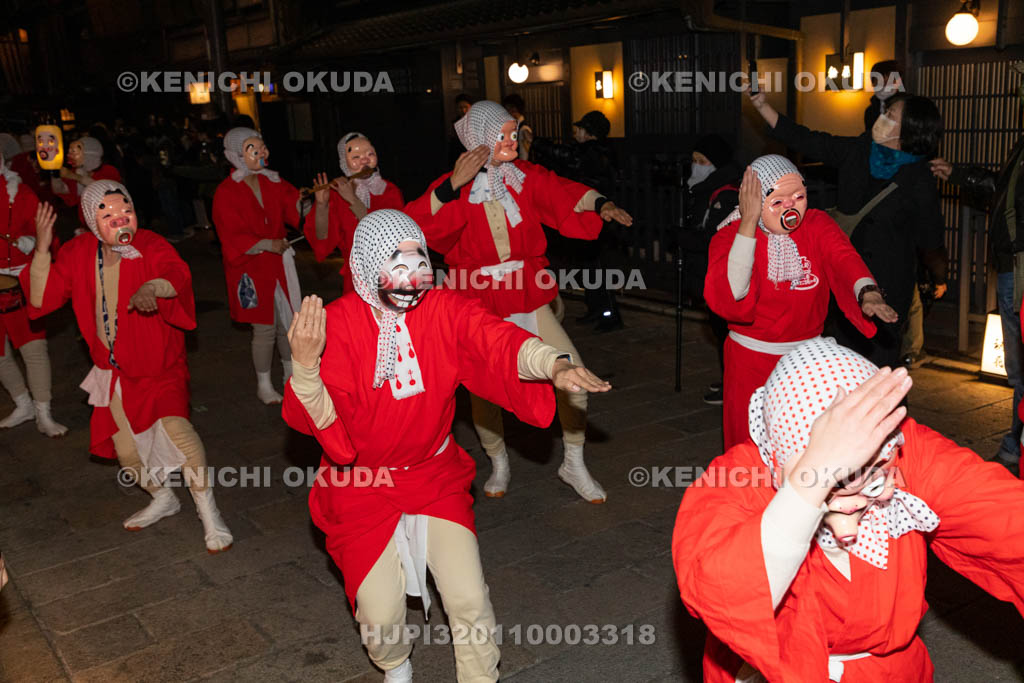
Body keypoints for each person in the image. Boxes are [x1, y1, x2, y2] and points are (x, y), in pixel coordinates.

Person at [282, 209, 611, 682]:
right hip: (361, 485)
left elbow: (496, 338)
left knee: (468, 597)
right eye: (398, 267)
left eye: (421, 265)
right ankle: (396, 665)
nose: (413, 280)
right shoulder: (337, 325)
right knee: (378, 611)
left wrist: (552, 363)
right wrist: (305, 367)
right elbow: (310, 419)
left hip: (433, 476)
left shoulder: (441, 308)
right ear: (368, 266)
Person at [672, 336, 1024, 681]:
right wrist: (813, 479)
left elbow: (1006, 517)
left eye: (872, 476)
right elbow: (719, 590)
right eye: (836, 484)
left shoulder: (902, 450)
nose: (851, 522)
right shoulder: (738, 477)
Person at [405, 100, 633, 502]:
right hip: (477, 299)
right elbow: (416, 226)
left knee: (572, 369)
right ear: (480, 139)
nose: (512, 141)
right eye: (504, 135)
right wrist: (451, 185)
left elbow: (562, 192)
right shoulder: (453, 184)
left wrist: (601, 203)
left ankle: (574, 462)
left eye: (513, 134)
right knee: (484, 388)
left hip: (525, 291)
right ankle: (498, 461)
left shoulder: (523, 177)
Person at [22, 181, 232, 552]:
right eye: (108, 214)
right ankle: (164, 498)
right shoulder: (78, 252)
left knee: (178, 432)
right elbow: (42, 297)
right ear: (91, 222)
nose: (121, 219)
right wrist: (41, 249)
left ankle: (208, 511)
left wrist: (152, 288)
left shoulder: (150, 244)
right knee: (127, 453)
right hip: (113, 371)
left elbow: (176, 274)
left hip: (158, 364)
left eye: (126, 210)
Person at [706, 154, 895, 450]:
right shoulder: (730, 236)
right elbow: (733, 294)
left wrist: (867, 291)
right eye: (777, 201)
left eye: (798, 197)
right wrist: (749, 223)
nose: (791, 207)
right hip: (752, 361)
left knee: (807, 442)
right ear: (753, 201)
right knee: (750, 445)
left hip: (807, 361)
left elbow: (843, 257)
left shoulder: (816, 225)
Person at [750, 87, 946, 369]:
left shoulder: (919, 178)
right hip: (841, 276)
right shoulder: (858, 150)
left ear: (910, 130)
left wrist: (939, 277)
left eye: (891, 116)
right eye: (886, 112)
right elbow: (808, 139)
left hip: (888, 284)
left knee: (876, 367)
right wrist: (762, 106)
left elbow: (930, 238)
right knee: (840, 360)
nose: (882, 118)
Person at [931, 90, 1024, 476]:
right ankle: (1014, 445)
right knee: (1019, 369)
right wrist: (959, 174)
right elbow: (1002, 188)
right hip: (1011, 264)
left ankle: (1014, 447)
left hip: (1019, 265)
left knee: (1021, 369)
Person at [212, 126, 308, 405]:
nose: (261, 152)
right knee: (264, 328)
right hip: (250, 267)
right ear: (236, 155)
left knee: (287, 323)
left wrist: (309, 203)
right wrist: (266, 243)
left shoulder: (274, 182)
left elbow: (296, 213)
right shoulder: (226, 191)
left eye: (262, 145)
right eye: (252, 148)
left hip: (279, 263)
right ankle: (264, 384)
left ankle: (290, 377)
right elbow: (230, 233)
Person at [0, 148, 67, 437]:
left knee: (33, 350)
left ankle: (43, 413)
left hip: (19, 279)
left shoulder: (21, 193)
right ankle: (23, 405)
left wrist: (32, 240)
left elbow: (44, 230)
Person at [305, 132, 405, 294]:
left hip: (390, 273)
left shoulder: (390, 191)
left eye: (370, 154)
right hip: (355, 279)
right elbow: (322, 238)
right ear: (344, 162)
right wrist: (322, 205)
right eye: (356, 157)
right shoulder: (338, 193)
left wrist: (353, 200)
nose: (364, 160)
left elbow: (388, 235)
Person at [683, 133, 742, 405]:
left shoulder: (726, 194)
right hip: (710, 273)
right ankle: (729, 379)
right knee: (720, 333)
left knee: (727, 334)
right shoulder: (705, 188)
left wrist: (684, 238)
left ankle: (734, 385)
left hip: (722, 276)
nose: (697, 166)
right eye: (694, 160)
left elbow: (714, 237)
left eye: (703, 161)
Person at [52, 136, 123, 225]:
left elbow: (103, 190)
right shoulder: (78, 171)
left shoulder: (109, 171)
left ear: (89, 155)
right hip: (88, 223)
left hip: (111, 220)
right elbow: (60, 190)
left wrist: (76, 177)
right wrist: (54, 173)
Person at [863, 60, 905, 133]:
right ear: (873, 83)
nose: (884, 86)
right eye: (879, 82)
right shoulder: (870, 111)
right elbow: (869, 135)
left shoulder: (907, 107)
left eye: (888, 82)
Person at [501, 94, 534, 161]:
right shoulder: (513, 126)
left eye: (509, 110)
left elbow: (525, 154)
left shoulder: (524, 129)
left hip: (520, 163)